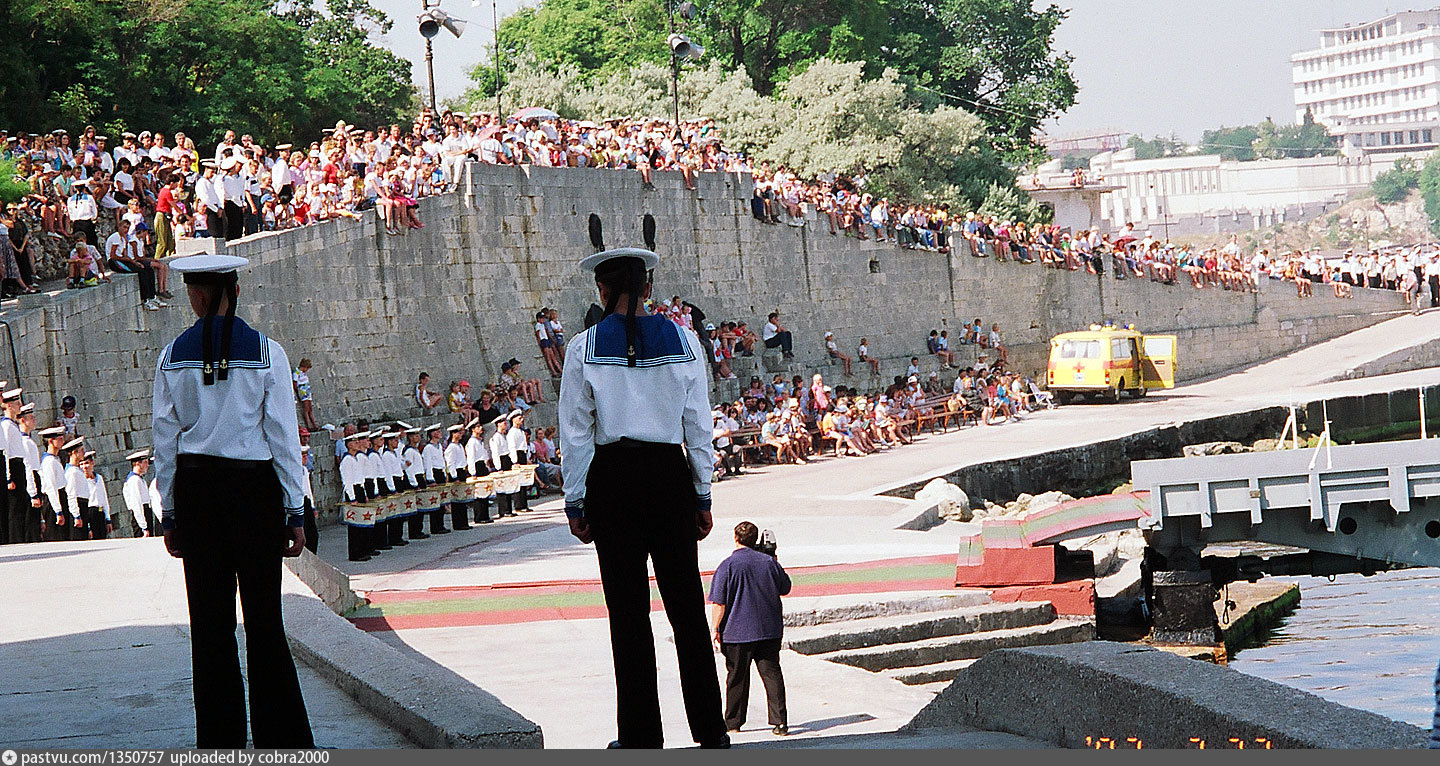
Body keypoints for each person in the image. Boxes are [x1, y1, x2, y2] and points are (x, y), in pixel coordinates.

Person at [560, 215, 729, 749]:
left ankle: (639, 736)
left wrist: (575, 501)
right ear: (649, 286)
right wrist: (702, 493)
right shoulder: (685, 341)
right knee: (687, 608)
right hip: (668, 476)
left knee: (628, 614)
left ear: (602, 288)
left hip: (613, 480)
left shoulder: (582, 348)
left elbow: (576, 434)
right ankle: (711, 728)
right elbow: (698, 426)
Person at [150, 253, 314, 748]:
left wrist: (170, 512)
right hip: (253, 493)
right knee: (265, 621)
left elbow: (165, 441)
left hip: (198, 494)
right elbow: (282, 435)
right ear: (234, 292)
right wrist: (295, 508)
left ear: (197, 295)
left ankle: (219, 741)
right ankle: (282, 740)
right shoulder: (267, 352)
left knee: (209, 626)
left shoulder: (171, 356)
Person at [709, 521, 791, 736]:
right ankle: (780, 722)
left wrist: (714, 628)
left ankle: (733, 722)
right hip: (769, 630)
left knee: (737, 677)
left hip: (736, 632)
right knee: (772, 674)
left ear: (735, 538)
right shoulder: (769, 563)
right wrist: (774, 559)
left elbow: (719, 603)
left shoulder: (727, 566)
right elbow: (785, 587)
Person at [123, 449, 158, 537]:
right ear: (138, 463)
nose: (147, 465)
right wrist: (143, 526)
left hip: (145, 512)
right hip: (142, 514)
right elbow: (136, 504)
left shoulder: (139, 479)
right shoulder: (134, 480)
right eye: (145, 462)